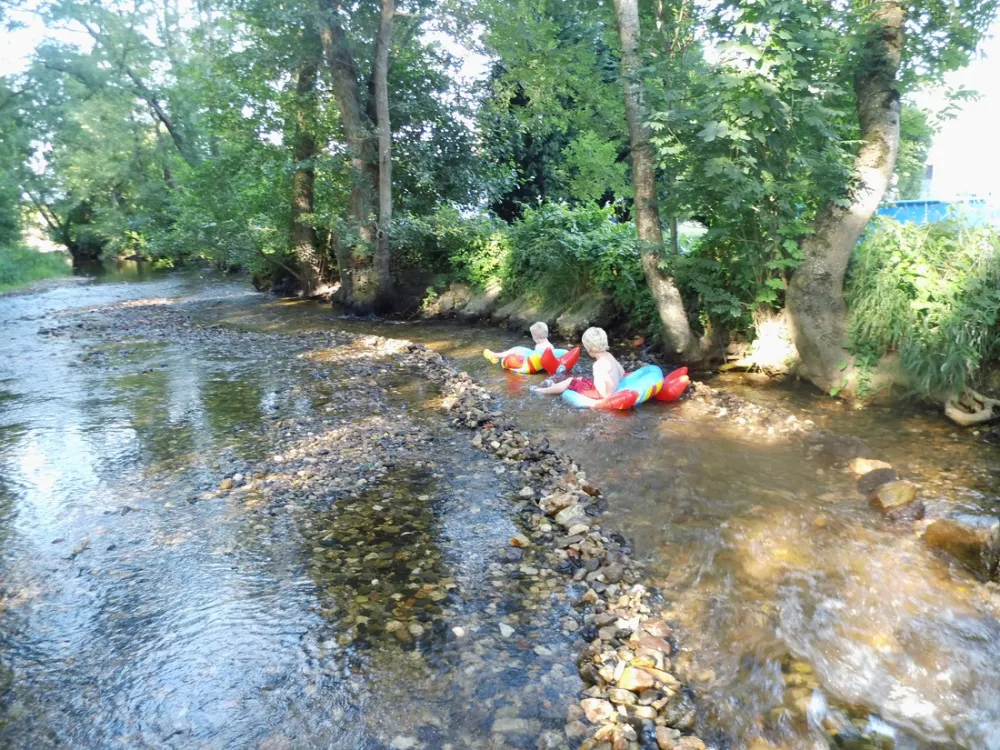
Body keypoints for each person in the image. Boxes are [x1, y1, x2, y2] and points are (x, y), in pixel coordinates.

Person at [532, 327, 624, 400]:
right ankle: (554, 386)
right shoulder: (609, 356)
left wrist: (605, 397)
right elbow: (622, 372)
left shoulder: (598, 365)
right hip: (607, 389)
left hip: (599, 393)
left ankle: (543, 391)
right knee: (579, 378)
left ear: (590, 348)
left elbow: (605, 392)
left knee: (570, 381)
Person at [483, 321, 554, 363]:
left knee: (514, 350)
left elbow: (535, 360)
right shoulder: (550, 346)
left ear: (535, 337)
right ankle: (496, 355)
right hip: (535, 357)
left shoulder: (539, 346)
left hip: (531, 361)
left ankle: (495, 355)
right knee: (519, 348)